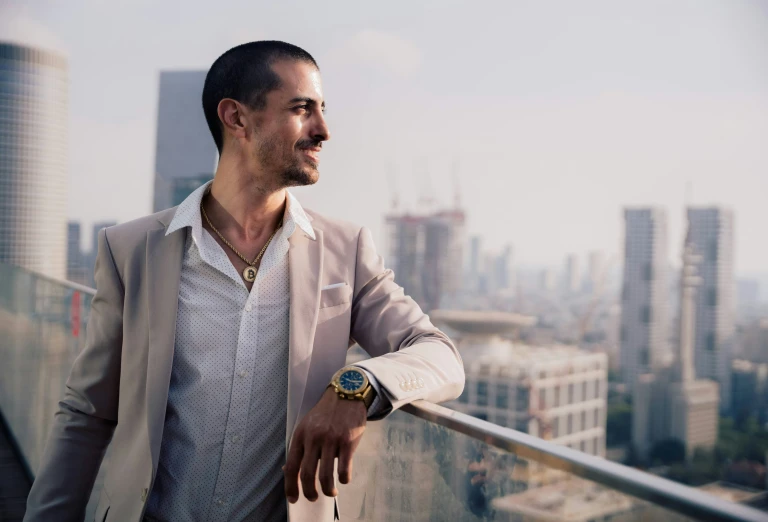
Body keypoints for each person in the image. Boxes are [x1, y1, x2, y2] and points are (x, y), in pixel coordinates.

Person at [23, 40, 465, 522]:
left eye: (322, 109)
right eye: (302, 109)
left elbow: (441, 355)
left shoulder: (347, 250)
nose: (324, 130)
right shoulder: (130, 250)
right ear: (236, 118)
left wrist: (356, 386)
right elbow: (87, 415)